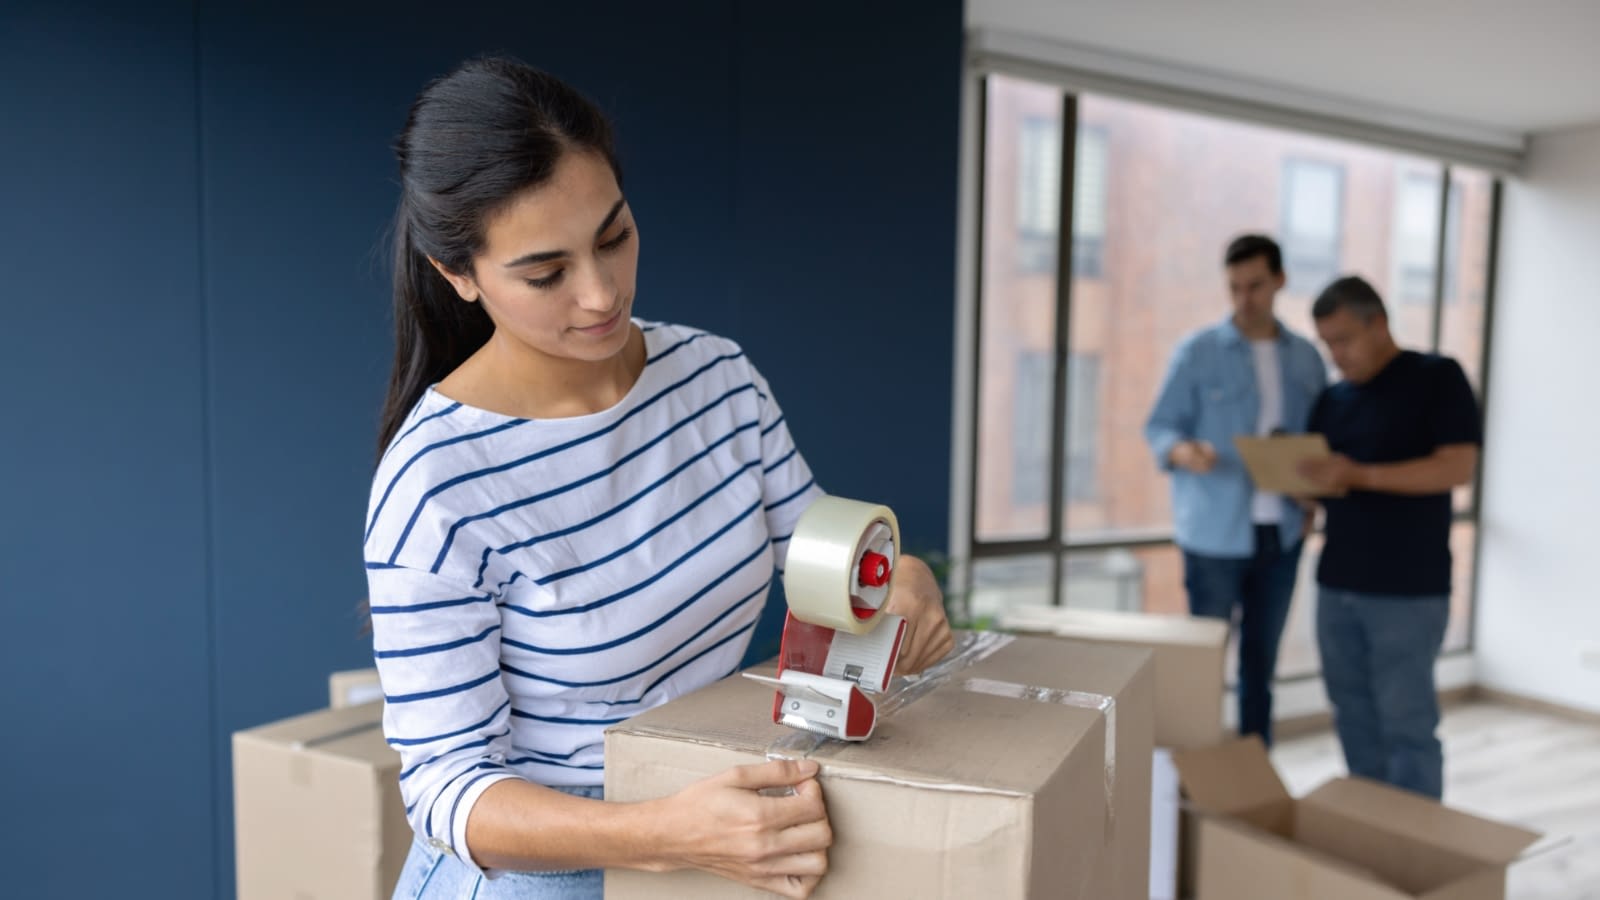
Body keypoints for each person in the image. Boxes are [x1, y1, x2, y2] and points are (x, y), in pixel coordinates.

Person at [364, 56, 954, 900]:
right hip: (551, 873)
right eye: (546, 273)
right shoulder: (437, 482)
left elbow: (823, 556)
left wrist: (900, 580)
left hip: (696, 839)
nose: (602, 294)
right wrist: (666, 834)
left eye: (614, 236)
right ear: (457, 274)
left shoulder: (716, 377)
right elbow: (445, 792)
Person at [1297, 276, 1480, 800]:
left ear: (1378, 322)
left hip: (1408, 589)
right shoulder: (1332, 400)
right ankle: (1371, 828)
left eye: (1344, 339)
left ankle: (1415, 852)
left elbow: (1456, 467)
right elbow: (1324, 486)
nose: (1336, 354)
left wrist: (1360, 475)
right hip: (1337, 583)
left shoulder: (1437, 377)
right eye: (1326, 343)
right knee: (1352, 714)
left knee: (1407, 724)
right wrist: (1302, 489)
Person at [1144, 234, 1327, 746]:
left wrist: (1313, 494)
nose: (1244, 299)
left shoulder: (1307, 360)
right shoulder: (1199, 352)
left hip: (1283, 534)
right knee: (1204, 666)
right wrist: (1184, 452)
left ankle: (1254, 772)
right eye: (1234, 288)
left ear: (1280, 281)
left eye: (1256, 286)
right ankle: (1196, 776)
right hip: (1213, 537)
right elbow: (1160, 427)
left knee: (1259, 667)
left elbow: (1320, 439)